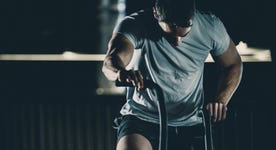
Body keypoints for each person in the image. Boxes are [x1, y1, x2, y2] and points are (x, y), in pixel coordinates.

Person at [102, 0, 243, 149]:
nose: (177, 42)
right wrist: (120, 72)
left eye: (184, 34)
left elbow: (233, 64)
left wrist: (221, 101)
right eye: (171, 33)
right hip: (141, 119)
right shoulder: (135, 24)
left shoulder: (210, 26)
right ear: (156, 13)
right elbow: (111, 61)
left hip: (190, 121)